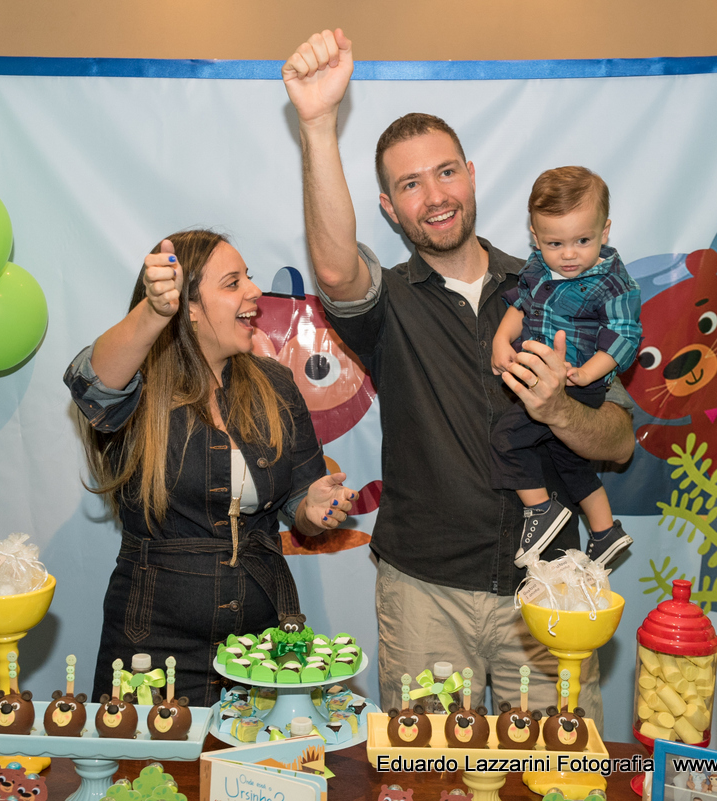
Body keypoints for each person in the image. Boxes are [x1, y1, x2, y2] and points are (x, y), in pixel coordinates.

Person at [282, 29, 636, 721]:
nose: (434, 195)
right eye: (409, 184)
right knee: (425, 779)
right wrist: (318, 125)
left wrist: (560, 408)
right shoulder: (386, 303)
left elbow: (619, 440)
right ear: (389, 206)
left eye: (445, 172)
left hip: (551, 590)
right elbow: (332, 270)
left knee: (558, 780)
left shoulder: (558, 285)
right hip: (425, 597)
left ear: (472, 174)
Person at [65, 229, 357, 707]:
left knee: (257, 779)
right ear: (189, 306)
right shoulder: (139, 387)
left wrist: (315, 506)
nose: (254, 292)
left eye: (249, 278)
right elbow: (90, 387)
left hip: (262, 647)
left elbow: (300, 500)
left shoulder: (277, 384)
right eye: (232, 282)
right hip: (153, 649)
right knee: (151, 779)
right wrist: (154, 311)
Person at [491, 166, 640, 568]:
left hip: (578, 381)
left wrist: (590, 373)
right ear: (535, 238)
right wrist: (500, 340)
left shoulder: (613, 282)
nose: (569, 254)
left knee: (506, 438)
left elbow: (625, 334)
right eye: (556, 243)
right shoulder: (537, 269)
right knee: (569, 460)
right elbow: (521, 305)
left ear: (604, 232)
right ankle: (606, 530)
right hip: (543, 376)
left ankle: (541, 512)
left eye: (583, 240)